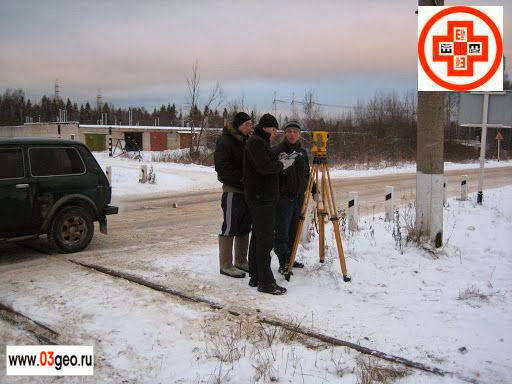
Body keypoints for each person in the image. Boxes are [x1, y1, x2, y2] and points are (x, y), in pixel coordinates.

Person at [243, 113, 295, 295]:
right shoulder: (256, 142)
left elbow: (264, 163)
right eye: (273, 129)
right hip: (261, 198)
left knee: (258, 237)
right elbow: (264, 168)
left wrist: (277, 160)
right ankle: (266, 282)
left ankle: (256, 276)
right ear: (266, 127)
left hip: (261, 197)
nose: (275, 133)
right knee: (264, 240)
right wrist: (282, 165)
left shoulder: (259, 142)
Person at [214, 112, 253, 278]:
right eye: (246, 125)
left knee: (244, 227)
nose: (249, 127)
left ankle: (241, 261)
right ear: (238, 126)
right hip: (232, 191)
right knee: (230, 227)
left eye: (251, 124)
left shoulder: (247, 141)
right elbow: (222, 169)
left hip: (247, 192)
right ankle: (225, 265)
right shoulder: (225, 141)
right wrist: (242, 178)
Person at [273, 121, 314, 275]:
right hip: (283, 198)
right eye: (289, 131)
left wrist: (314, 189)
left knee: (294, 231)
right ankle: (283, 261)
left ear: (299, 134)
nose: (292, 134)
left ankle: (290, 258)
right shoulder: (278, 151)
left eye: (295, 132)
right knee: (282, 231)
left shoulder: (303, 153)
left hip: (298, 198)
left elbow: (307, 175)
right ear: (285, 133)